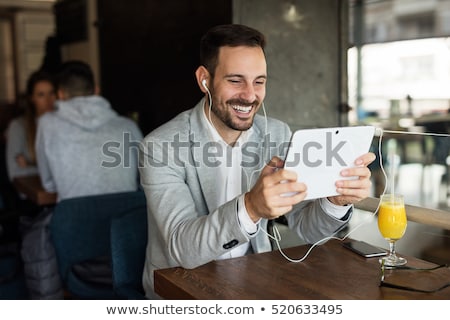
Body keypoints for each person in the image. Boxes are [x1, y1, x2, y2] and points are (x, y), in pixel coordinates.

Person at [138, 24, 375, 299]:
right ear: (205, 79)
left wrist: (335, 201)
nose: (250, 96)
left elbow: (308, 229)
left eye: (259, 81)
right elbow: (183, 249)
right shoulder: (160, 146)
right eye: (236, 80)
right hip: (179, 286)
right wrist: (251, 207)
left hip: (252, 278)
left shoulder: (276, 133)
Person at [36, 60, 143, 201]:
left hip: (75, 219)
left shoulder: (47, 124)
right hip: (125, 218)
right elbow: (144, 178)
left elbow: (49, 184)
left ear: (60, 94)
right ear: (96, 90)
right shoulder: (129, 126)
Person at [5, 71, 56, 182]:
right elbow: (15, 172)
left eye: (51, 93)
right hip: (31, 195)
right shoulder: (19, 126)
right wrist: (53, 170)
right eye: (41, 95)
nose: (48, 100)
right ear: (32, 98)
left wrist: (30, 166)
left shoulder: (63, 124)